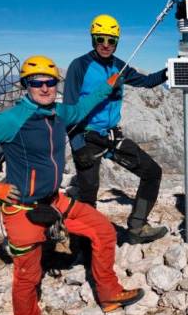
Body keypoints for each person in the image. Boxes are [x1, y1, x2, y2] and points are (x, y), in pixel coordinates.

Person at [0, 56, 144, 315]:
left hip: (54, 200)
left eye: (50, 82)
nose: (45, 88)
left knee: (102, 230)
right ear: (26, 85)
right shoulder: (12, 119)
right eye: (37, 83)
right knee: (28, 274)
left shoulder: (59, 113)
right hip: (23, 208)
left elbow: (82, 109)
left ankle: (109, 294)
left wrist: (107, 88)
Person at [63, 14, 168, 245]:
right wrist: (77, 146)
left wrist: (169, 72)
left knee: (152, 172)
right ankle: (82, 243)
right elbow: (69, 111)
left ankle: (136, 228)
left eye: (111, 40)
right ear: (93, 39)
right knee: (89, 192)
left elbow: (146, 81)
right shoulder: (79, 66)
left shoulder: (119, 66)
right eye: (101, 39)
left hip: (111, 137)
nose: (106, 45)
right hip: (87, 137)